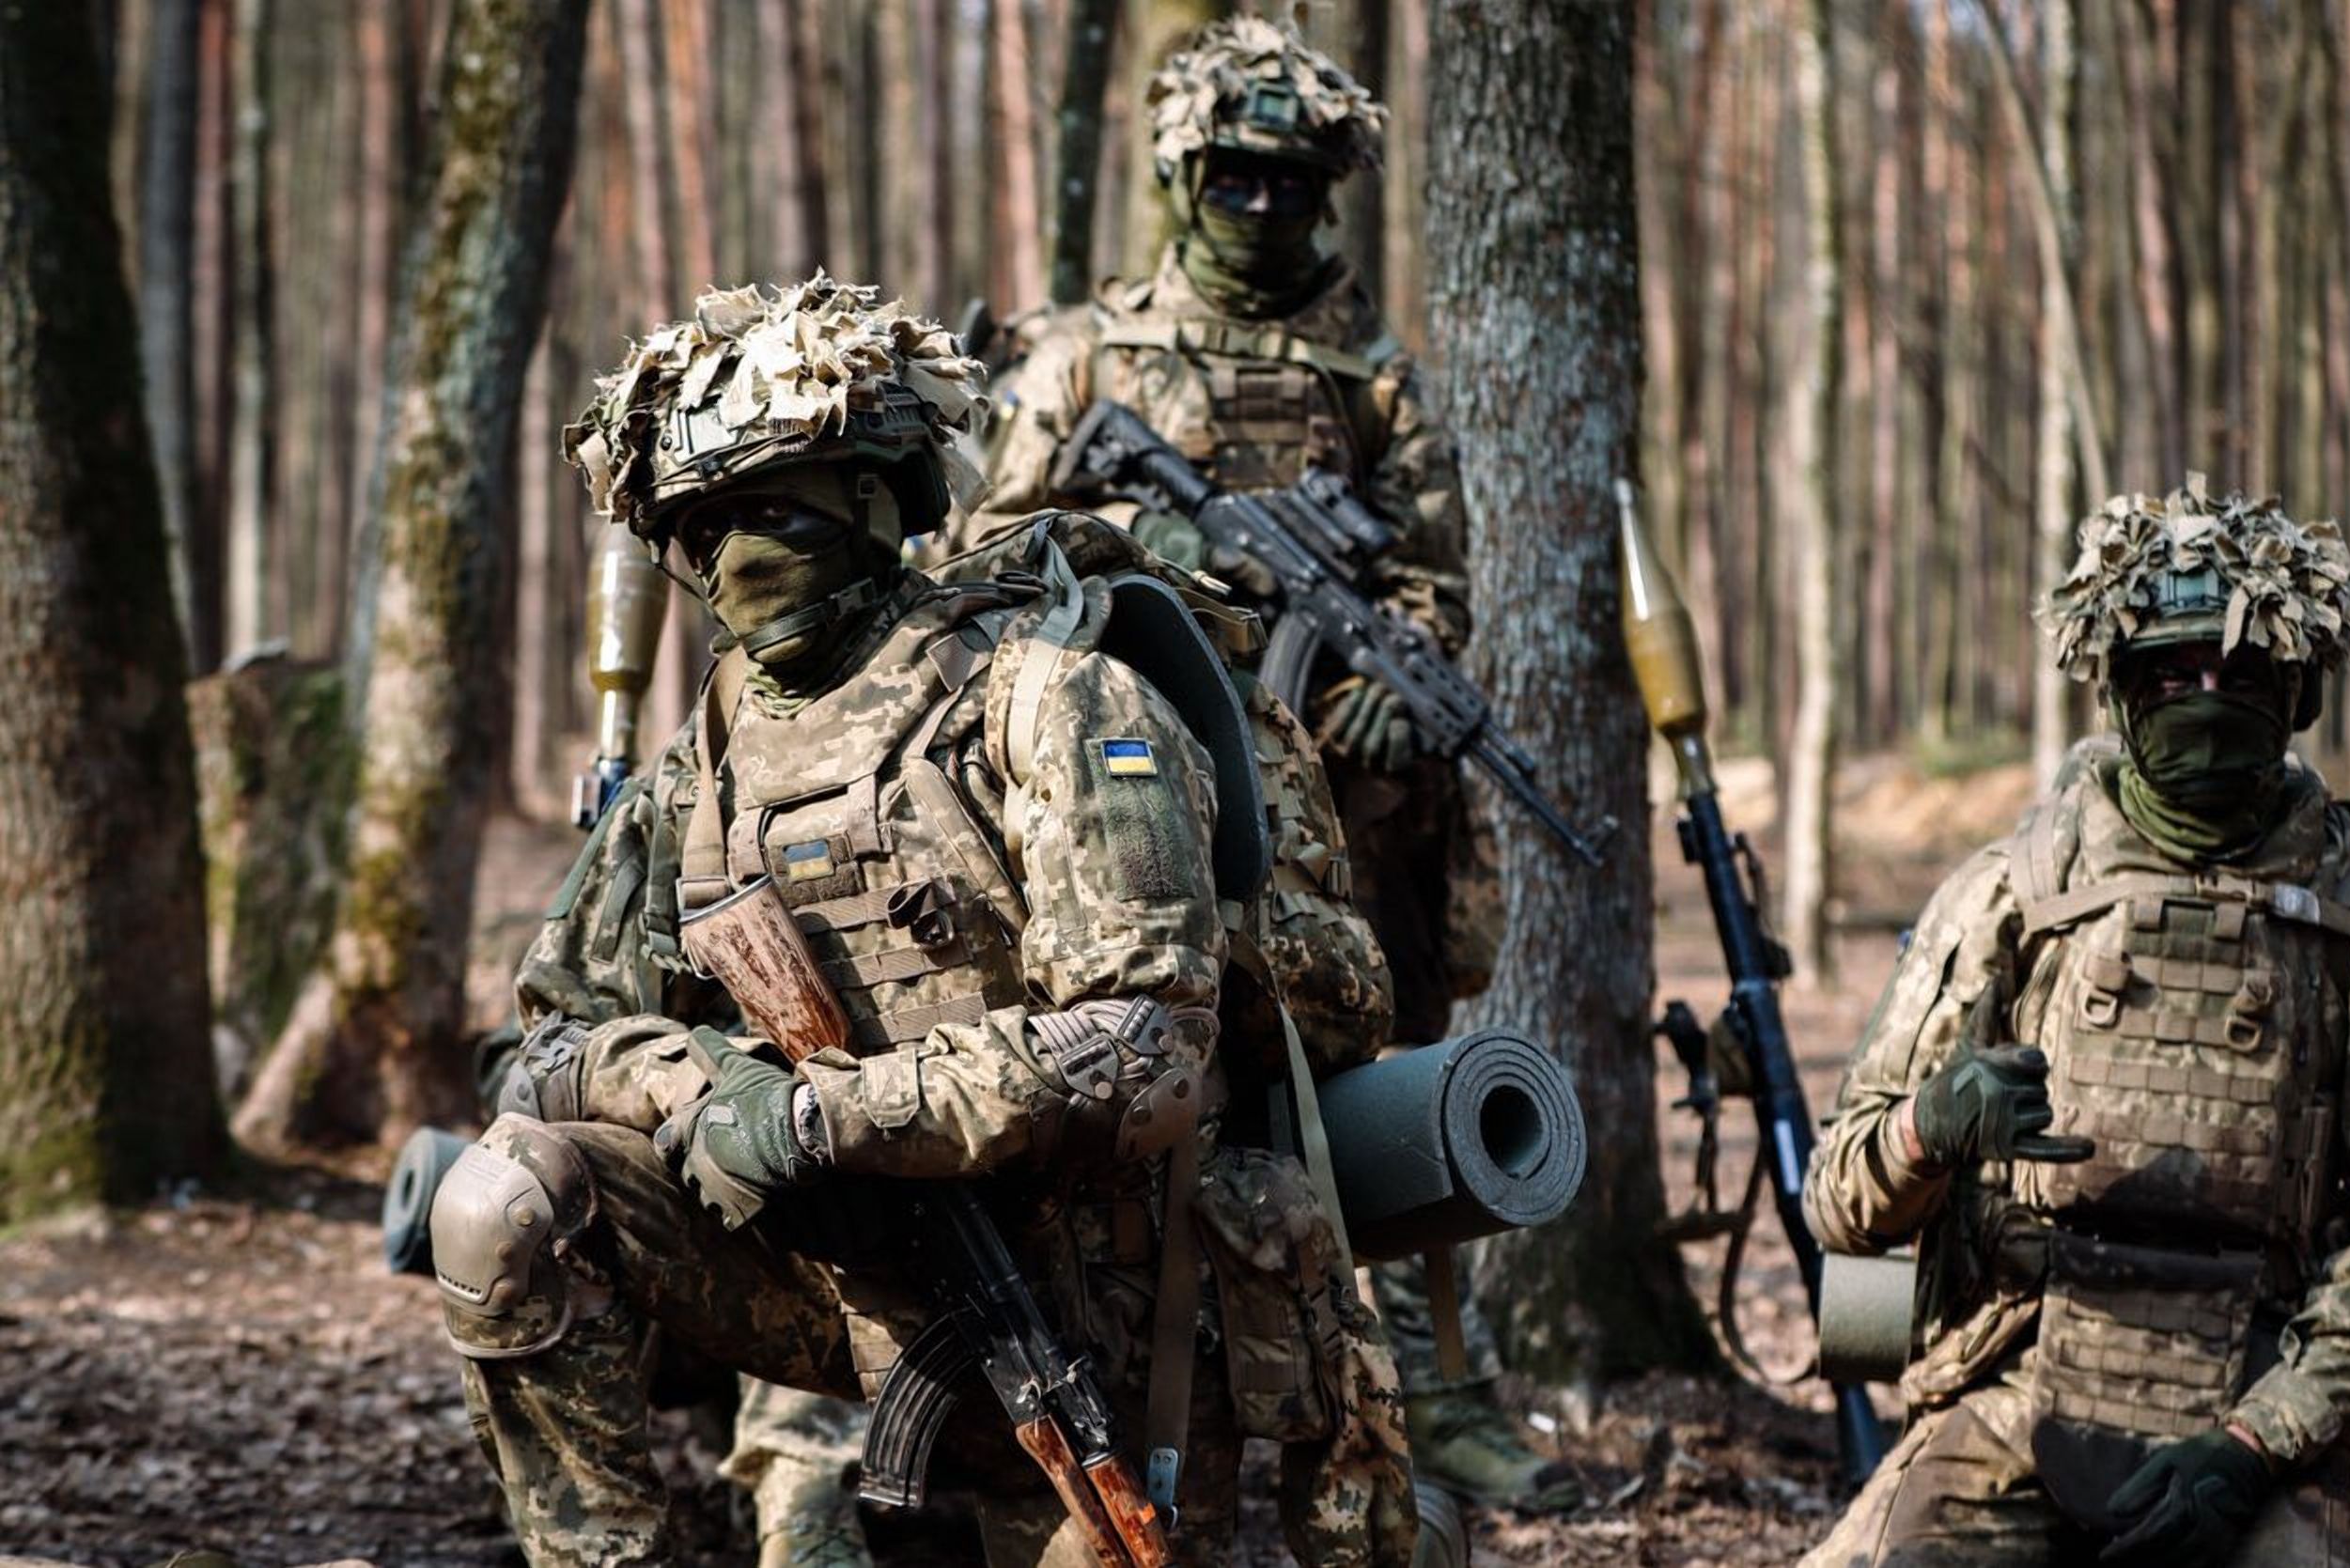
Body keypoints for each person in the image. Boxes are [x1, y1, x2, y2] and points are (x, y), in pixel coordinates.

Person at [436, 274, 1418, 1567]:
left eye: (773, 508)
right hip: (846, 1273)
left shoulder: (1049, 699)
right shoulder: (712, 751)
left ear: (877, 497)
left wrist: (817, 1118)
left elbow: (1146, 1049)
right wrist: (690, 1081)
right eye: (703, 526)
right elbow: (546, 1042)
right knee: (504, 1197)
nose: (737, 557)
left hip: (1097, 1308)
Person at [943, 17, 1574, 1515]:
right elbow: (981, 552)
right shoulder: (1087, 353)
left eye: (1294, 184)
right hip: (1126, 781)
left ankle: (1427, 1386)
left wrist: (1394, 682)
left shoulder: (1372, 373)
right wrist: (1145, 543)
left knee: (1392, 1081)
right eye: (1235, 177)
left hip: (1344, 803)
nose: (1265, 206)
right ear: (1181, 178)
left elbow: (1432, 578)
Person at [1798, 477, 2350, 1567]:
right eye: (2170, 673)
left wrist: (2255, 1443)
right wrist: (1929, 1126)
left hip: (2257, 1399)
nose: (2203, 699)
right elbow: (1837, 1204)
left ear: (2295, 693)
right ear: (2118, 691)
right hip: (2013, 1391)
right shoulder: (2013, 897)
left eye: (2238, 673)